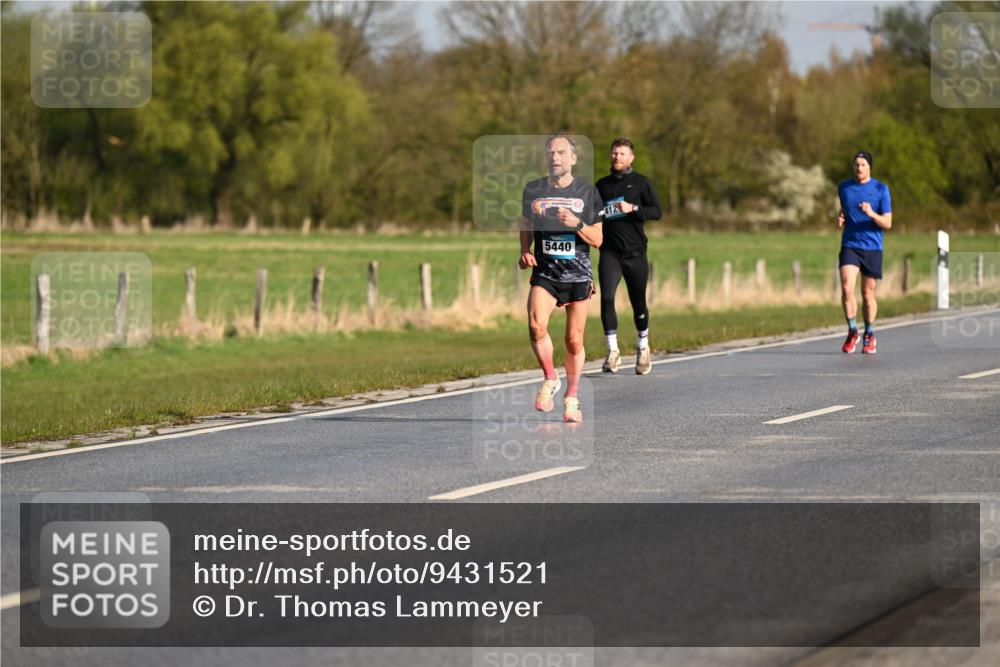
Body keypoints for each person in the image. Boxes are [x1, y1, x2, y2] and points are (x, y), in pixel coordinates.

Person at [520, 133, 604, 423]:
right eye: (550, 153)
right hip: (545, 272)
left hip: (577, 275)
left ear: (573, 158)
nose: (555, 157)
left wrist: (576, 223)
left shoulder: (588, 192)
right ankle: (550, 377)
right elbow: (526, 222)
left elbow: (598, 239)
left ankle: (572, 396)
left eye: (560, 152)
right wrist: (524, 250)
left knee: (573, 341)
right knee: (535, 326)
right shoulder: (533, 190)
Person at [594, 138, 662, 374]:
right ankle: (612, 352)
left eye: (622, 154)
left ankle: (643, 347)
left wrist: (632, 208)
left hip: (635, 253)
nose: (617, 158)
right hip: (610, 252)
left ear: (631, 157)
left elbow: (657, 212)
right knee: (607, 299)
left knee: (638, 302)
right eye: (614, 154)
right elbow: (593, 214)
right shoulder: (601, 185)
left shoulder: (641, 183)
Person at [837, 150, 892, 354]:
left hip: (872, 247)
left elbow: (888, 222)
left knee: (867, 293)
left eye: (862, 165)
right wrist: (841, 217)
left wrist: (870, 213)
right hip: (850, 245)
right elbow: (845, 209)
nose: (859, 168)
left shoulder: (880, 189)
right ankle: (853, 331)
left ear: (869, 167)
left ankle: (869, 334)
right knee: (846, 288)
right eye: (856, 165)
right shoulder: (844, 187)